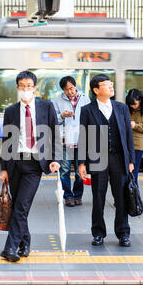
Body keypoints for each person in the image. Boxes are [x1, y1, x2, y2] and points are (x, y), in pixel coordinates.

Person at [0, 71, 61, 262]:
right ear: (17, 88)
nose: (25, 89)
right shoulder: (10, 111)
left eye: (29, 86)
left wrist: (56, 159)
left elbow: (56, 134)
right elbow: (6, 140)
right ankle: (25, 242)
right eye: (22, 86)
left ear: (35, 88)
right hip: (15, 163)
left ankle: (10, 248)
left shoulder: (46, 107)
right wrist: (4, 168)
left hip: (35, 164)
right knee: (19, 205)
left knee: (21, 206)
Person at [78, 74, 135, 247]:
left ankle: (123, 233)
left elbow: (128, 136)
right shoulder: (87, 110)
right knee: (98, 198)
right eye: (106, 85)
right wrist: (81, 163)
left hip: (119, 158)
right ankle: (98, 233)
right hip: (97, 158)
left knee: (121, 198)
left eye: (111, 84)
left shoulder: (121, 108)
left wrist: (131, 160)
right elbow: (83, 136)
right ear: (96, 90)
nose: (111, 87)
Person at [52, 76, 90, 207]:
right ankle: (68, 196)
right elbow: (53, 120)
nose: (70, 92)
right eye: (66, 90)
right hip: (65, 140)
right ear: (63, 90)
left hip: (81, 139)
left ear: (75, 86)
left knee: (81, 171)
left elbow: (89, 117)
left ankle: (78, 195)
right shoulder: (57, 100)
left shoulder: (85, 98)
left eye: (72, 88)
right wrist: (62, 116)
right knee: (64, 170)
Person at [125, 88, 143, 186]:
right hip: (125, 144)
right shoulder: (125, 109)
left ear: (140, 100)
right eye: (130, 104)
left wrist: (136, 125)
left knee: (133, 173)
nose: (133, 106)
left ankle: (134, 198)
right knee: (124, 173)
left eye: (135, 104)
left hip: (138, 146)